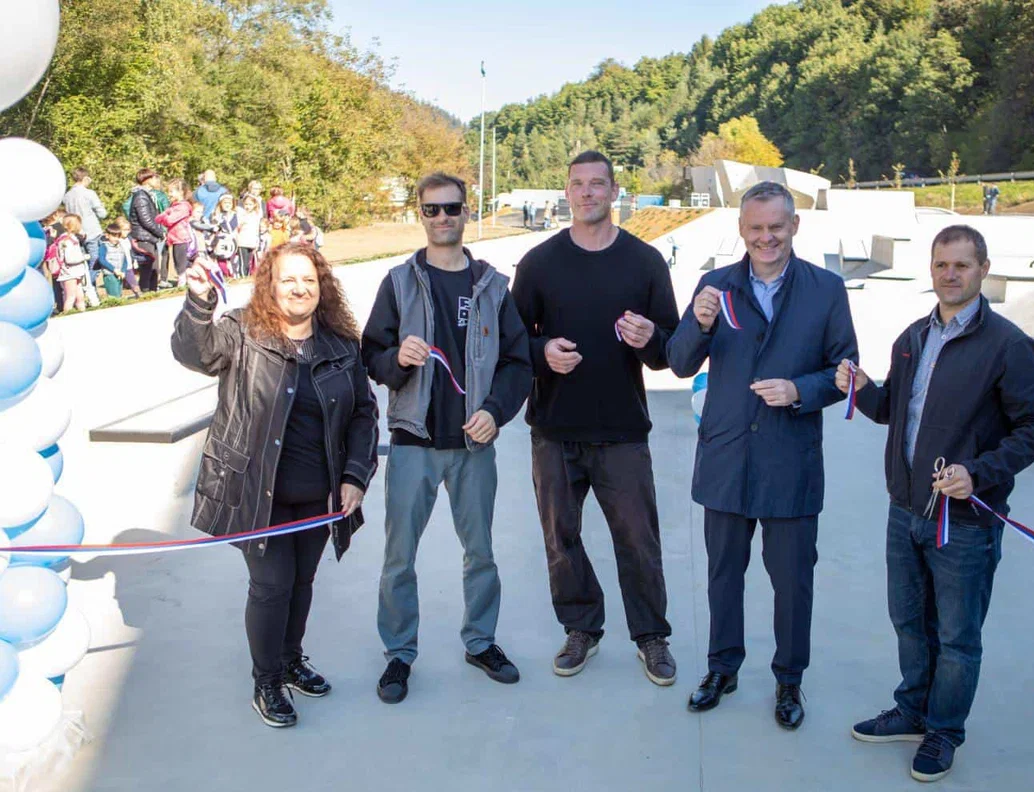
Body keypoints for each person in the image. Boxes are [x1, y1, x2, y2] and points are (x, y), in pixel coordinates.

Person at [838, 224, 1034, 782]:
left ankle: (943, 730)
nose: (950, 274)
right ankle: (912, 710)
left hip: (964, 521)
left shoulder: (1009, 346)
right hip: (905, 510)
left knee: (958, 636)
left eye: (961, 264)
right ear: (931, 270)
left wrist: (978, 474)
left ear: (983, 269)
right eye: (941, 264)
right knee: (909, 621)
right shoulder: (913, 336)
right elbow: (894, 410)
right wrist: (861, 387)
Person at [667, 181, 858, 730]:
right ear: (741, 230)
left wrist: (800, 390)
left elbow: (845, 371)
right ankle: (721, 669)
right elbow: (679, 362)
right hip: (726, 459)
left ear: (794, 225)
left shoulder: (826, 289)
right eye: (755, 228)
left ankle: (789, 679)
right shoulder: (714, 286)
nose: (766, 237)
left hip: (790, 461)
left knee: (793, 582)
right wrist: (699, 323)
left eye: (776, 226)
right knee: (723, 575)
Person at [171, 243, 379, 729]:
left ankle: (289, 660)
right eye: (288, 279)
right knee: (271, 585)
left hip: (318, 495)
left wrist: (354, 476)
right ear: (270, 284)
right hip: (255, 493)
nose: (299, 288)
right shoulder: (241, 332)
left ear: (322, 287)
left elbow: (363, 414)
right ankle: (266, 680)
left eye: (308, 279)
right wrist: (199, 302)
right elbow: (194, 352)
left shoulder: (341, 346)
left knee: (302, 582)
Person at [362, 172, 532, 703]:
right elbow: (371, 355)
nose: (442, 218)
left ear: (466, 212)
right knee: (399, 557)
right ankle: (399, 654)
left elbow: (517, 363)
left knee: (480, 552)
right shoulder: (398, 282)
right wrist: (397, 359)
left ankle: (480, 642)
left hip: (473, 446)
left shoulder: (493, 286)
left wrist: (495, 412)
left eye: (451, 208)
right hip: (413, 442)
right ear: (420, 214)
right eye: (431, 209)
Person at [511, 150, 679, 686]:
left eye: (597, 183)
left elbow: (670, 350)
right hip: (554, 430)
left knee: (638, 540)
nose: (587, 192)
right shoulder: (539, 264)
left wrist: (650, 338)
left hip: (622, 429)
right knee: (560, 539)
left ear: (614, 191)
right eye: (578, 184)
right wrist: (542, 353)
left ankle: (651, 636)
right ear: (567, 193)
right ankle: (581, 627)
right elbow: (513, 343)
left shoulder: (645, 262)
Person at [62, 167, 108, 280]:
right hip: (92, 231)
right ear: (86, 178)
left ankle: (85, 284)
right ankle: (89, 285)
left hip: (76, 232)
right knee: (96, 261)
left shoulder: (67, 196)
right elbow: (102, 214)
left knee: (83, 262)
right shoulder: (89, 193)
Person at [156, 180, 193, 287]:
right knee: (177, 262)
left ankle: (184, 283)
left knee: (181, 264)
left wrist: (165, 215)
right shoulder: (173, 206)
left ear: (181, 192)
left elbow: (169, 220)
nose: (169, 194)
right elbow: (158, 219)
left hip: (182, 238)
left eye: (171, 191)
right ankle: (184, 282)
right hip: (174, 238)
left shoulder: (183, 207)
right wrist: (165, 215)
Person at [55, 214, 90, 311]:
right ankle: (67, 314)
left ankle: (82, 311)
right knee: (70, 297)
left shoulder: (73, 238)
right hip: (69, 273)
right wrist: (84, 257)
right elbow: (69, 259)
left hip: (76, 272)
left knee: (80, 296)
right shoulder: (66, 240)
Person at [96, 223, 130, 300]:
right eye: (114, 236)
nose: (116, 239)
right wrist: (114, 269)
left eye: (118, 236)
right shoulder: (104, 246)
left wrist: (123, 271)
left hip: (119, 274)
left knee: (119, 294)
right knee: (114, 296)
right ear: (107, 235)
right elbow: (102, 260)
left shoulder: (120, 246)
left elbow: (124, 260)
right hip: (110, 274)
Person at [236, 194, 263, 276]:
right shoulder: (241, 214)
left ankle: (247, 276)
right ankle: (242, 276)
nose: (248, 206)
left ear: (254, 205)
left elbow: (257, 230)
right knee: (243, 262)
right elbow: (237, 227)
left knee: (249, 263)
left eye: (250, 204)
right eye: (246, 204)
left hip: (252, 242)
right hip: (242, 242)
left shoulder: (256, 215)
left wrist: (257, 242)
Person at [115, 216, 141, 298]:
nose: (127, 232)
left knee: (134, 283)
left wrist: (134, 260)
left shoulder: (128, 239)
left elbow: (131, 251)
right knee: (118, 285)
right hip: (118, 267)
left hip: (129, 265)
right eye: (125, 230)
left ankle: (139, 295)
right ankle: (118, 298)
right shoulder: (116, 241)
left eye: (128, 229)